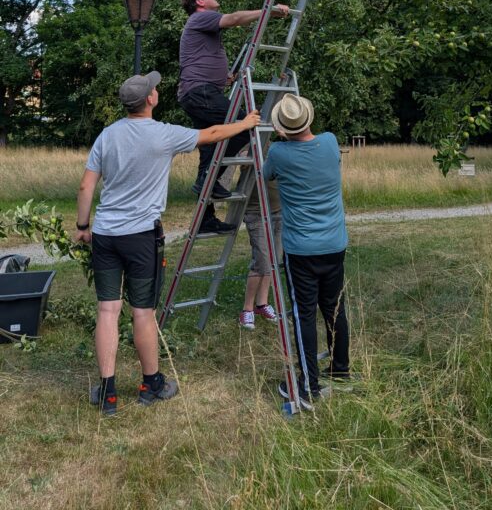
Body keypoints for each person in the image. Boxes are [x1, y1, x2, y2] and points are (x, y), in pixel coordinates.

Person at [75, 70, 261, 415]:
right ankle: (152, 383)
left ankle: (108, 392)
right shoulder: (163, 135)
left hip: (106, 234)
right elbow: (215, 133)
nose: (157, 90)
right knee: (142, 312)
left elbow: (86, 187)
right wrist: (247, 122)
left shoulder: (107, 135)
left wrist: (83, 226)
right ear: (149, 99)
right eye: (154, 88)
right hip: (141, 235)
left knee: (107, 310)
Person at [177, 0, 290, 231]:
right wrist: (268, 11)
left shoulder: (200, 22)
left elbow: (199, 59)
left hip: (201, 92)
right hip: (200, 93)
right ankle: (208, 180)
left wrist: (223, 78)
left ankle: (205, 219)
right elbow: (236, 19)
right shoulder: (201, 18)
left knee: (208, 151)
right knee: (244, 126)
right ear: (199, 2)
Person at [263, 93, 350, 410]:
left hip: (301, 250)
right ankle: (340, 371)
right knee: (335, 309)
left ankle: (309, 387)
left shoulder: (278, 152)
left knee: (303, 316)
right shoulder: (330, 142)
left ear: (282, 128)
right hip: (334, 244)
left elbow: (264, 176)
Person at [239, 177, 282, 329]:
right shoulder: (252, 151)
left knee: (273, 261)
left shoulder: (279, 151)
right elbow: (241, 158)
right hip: (256, 211)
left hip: (278, 210)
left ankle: (261, 304)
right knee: (261, 261)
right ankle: (247, 309)